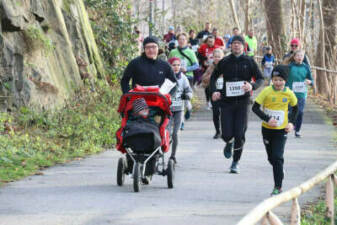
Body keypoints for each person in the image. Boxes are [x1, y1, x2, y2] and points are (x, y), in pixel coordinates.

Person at [210, 35, 264, 173]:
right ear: (231, 46)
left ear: (243, 46)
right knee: (226, 134)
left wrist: (252, 86)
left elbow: (260, 78)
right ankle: (228, 142)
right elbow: (213, 77)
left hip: (243, 102)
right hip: (226, 102)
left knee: (240, 133)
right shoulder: (225, 61)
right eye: (234, 43)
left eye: (239, 44)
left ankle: (235, 162)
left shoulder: (249, 61)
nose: (236, 46)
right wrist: (215, 91)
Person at [252, 65, 298, 195]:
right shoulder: (266, 91)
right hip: (267, 129)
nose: (278, 82)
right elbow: (255, 108)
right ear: (272, 80)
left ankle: (278, 187)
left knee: (277, 157)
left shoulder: (289, 93)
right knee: (271, 158)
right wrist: (267, 119)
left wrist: (291, 123)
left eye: (281, 80)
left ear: (285, 81)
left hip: (281, 130)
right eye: (275, 79)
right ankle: (280, 169)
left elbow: (296, 109)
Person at [167, 57, 193, 163]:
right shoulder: (166, 78)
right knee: (166, 132)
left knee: (175, 134)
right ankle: (161, 153)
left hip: (179, 109)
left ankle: (173, 155)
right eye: (174, 65)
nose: (176, 67)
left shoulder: (183, 78)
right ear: (170, 66)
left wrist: (186, 96)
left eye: (178, 65)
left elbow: (189, 91)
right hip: (167, 110)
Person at [286, 50, 313, 138]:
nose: (299, 57)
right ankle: (289, 127)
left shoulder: (306, 67)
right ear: (294, 57)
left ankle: (297, 130)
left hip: (302, 94)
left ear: (303, 57)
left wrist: (310, 81)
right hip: (291, 93)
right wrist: (285, 87)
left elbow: (311, 80)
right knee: (290, 112)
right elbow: (284, 78)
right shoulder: (290, 67)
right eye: (297, 56)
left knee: (300, 112)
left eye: (301, 56)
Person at [201, 48, 225, 139]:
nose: (217, 58)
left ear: (222, 57)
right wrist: (211, 76)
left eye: (219, 57)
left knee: (225, 113)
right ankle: (218, 131)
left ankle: (225, 131)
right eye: (215, 57)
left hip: (225, 93)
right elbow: (203, 80)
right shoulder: (210, 67)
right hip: (214, 92)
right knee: (216, 113)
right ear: (213, 57)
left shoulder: (226, 66)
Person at [198, 35, 220, 109]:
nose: (210, 43)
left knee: (215, 85)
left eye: (212, 41)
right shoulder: (203, 47)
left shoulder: (217, 47)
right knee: (207, 86)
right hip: (206, 68)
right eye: (209, 41)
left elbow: (220, 56)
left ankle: (215, 100)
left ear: (214, 41)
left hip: (215, 68)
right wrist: (203, 60)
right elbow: (199, 55)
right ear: (207, 41)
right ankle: (208, 101)